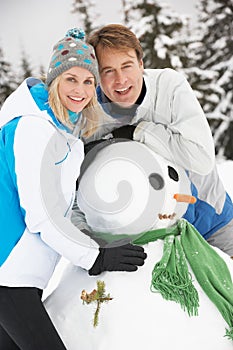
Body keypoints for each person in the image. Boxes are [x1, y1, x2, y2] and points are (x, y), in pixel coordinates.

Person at [0, 27, 146, 350]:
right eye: (71, 79)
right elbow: (42, 215)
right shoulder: (34, 129)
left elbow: (64, 205)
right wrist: (97, 258)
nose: (80, 90)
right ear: (54, 79)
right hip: (8, 278)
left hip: (21, 278)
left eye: (88, 81)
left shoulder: (63, 130)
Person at [71, 23, 233, 257]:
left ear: (141, 65)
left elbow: (201, 158)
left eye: (127, 66)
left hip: (212, 223)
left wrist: (138, 132)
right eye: (108, 71)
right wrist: (91, 245)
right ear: (97, 76)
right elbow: (73, 191)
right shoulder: (88, 116)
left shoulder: (170, 87)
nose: (120, 80)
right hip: (152, 240)